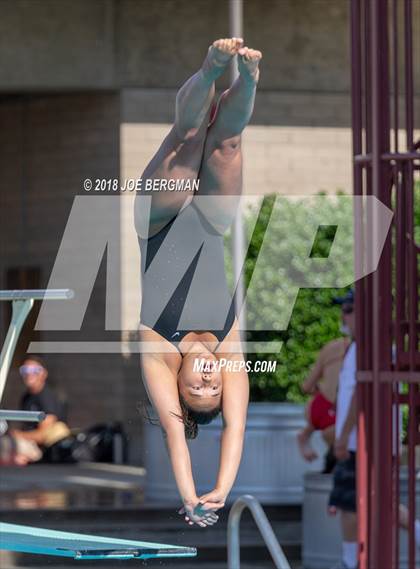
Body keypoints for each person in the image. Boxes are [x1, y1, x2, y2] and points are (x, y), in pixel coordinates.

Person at [134, 38, 261, 528]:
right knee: (226, 143)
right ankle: (248, 78)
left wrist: (190, 497)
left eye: (197, 389)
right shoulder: (229, 350)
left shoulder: (159, 352)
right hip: (211, 223)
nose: (207, 380)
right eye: (214, 388)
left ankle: (210, 69)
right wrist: (223, 490)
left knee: (187, 140)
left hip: (155, 222)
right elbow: (237, 427)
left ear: (180, 386)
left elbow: (173, 437)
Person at [329, 291, 420, 569]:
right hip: (370, 440)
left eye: (349, 310)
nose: (344, 316)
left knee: (351, 504)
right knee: (379, 504)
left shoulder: (368, 345)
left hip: (363, 442)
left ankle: (351, 561)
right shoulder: (368, 345)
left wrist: (343, 436)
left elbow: (361, 393)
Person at [297, 296, 352, 466]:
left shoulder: (330, 348)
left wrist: (320, 389)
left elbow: (306, 386)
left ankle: (306, 433)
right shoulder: (368, 348)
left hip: (321, 407)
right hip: (336, 411)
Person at [10, 355, 71, 462]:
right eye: (24, 370)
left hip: (46, 451)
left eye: (34, 370)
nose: (29, 374)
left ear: (44, 373)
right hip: (30, 445)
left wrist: (17, 435)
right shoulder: (26, 398)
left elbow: (43, 435)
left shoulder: (47, 397)